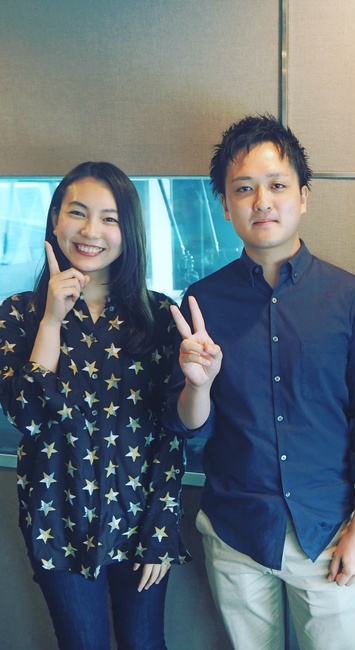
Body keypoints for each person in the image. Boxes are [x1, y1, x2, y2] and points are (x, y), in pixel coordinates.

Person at [164, 114, 355, 650]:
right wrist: (198, 384)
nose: (262, 202)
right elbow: (188, 428)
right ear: (226, 205)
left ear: (303, 196)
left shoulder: (348, 296)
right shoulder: (201, 302)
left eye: (277, 185)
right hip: (236, 532)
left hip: (328, 532)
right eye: (244, 188)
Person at [0, 162, 189, 650]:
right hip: (56, 522)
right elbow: (26, 416)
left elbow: (171, 434)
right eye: (77, 213)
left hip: (140, 520)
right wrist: (51, 322)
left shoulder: (158, 315)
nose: (91, 231)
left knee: (145, 644)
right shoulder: (19, 311)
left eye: (110, 218)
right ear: (55, 219)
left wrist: (161, 531)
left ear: (130, 231)